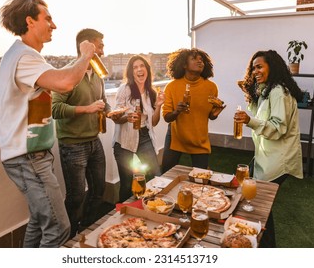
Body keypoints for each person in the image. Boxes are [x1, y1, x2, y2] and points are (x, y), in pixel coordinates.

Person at [0, 0, 96, 247]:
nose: (54, 25)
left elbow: (58, 77)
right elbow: (65, 81)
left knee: (38, 222)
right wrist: (85, 55)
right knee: (58, 228)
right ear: (30, 21)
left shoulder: (23, 55)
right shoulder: (24, 56)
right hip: (28, 157)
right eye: (48, 18)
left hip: (29, 155)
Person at [234, 49, 304, 247]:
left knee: (259, 203)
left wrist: (249, 121)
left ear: (272, 67)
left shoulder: (278, 92)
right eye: (253, 68)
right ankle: (266, 246)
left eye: (259, 66)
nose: (255, 71)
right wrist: (250, 96)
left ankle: (267, 247)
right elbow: (260, 115)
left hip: (278, 159)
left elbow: (278, 127)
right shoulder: (268, 90)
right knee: (261, 204)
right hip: (267, 157)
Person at [52, 28, 113, 238]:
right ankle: (68, 238)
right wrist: (87, 109)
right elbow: (55, 110)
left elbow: (103, 102)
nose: (104, 51)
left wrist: (113, 112)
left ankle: (85, 230)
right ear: (87, 46)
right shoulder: (67, 74)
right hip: (72, 146)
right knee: (76, 196)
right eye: (100, 46)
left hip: (93, 142)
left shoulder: (97, 74)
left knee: (98, 191)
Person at [161, 48, 225, 173]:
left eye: (201, 60)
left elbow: (210, 115)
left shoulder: (211, 87)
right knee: (166, 174)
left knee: (200, 178)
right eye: (194, 59)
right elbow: (167, 117)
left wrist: (214, 114)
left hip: (199, 140)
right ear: (184, 64)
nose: (200, 62)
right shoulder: (171, 86)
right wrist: (177, 111)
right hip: (176, 137)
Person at [112, 55, 164, 202]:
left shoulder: (151, 93)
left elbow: (153, 122)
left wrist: (159, 105)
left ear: (147, 70)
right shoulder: (124, 89)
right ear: (131, 72)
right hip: (124, 140)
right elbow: (116, 117)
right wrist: (126, 118)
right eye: (135, 67)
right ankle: (122, 213)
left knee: (155, 174)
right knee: (127, 183)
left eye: (142, 66)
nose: (139, 69)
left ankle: (153, 206)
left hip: (144, 137)